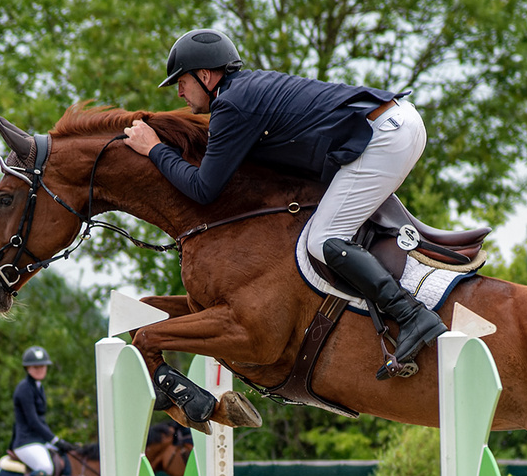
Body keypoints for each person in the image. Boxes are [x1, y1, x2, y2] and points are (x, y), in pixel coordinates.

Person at [124, 27, 448, 414]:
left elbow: (202, 189)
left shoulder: (231, 105)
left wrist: (154, 148)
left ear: (206, 77)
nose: (178, 92)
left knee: (323, 240)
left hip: (384, 135)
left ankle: (412, 316)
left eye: (181, 81)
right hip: (389, 127)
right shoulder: (239, 97)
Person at [9, 346, 67, 476]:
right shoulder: (24, 389)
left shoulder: (38, 387)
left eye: (42, 366)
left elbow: (41, 420)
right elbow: (33, 421)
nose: (40, 369)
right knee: (46, 467)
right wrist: (54, 440)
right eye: (35, 367)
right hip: (26, 442)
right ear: (27, 368)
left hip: (37, 441)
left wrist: (58, 442)